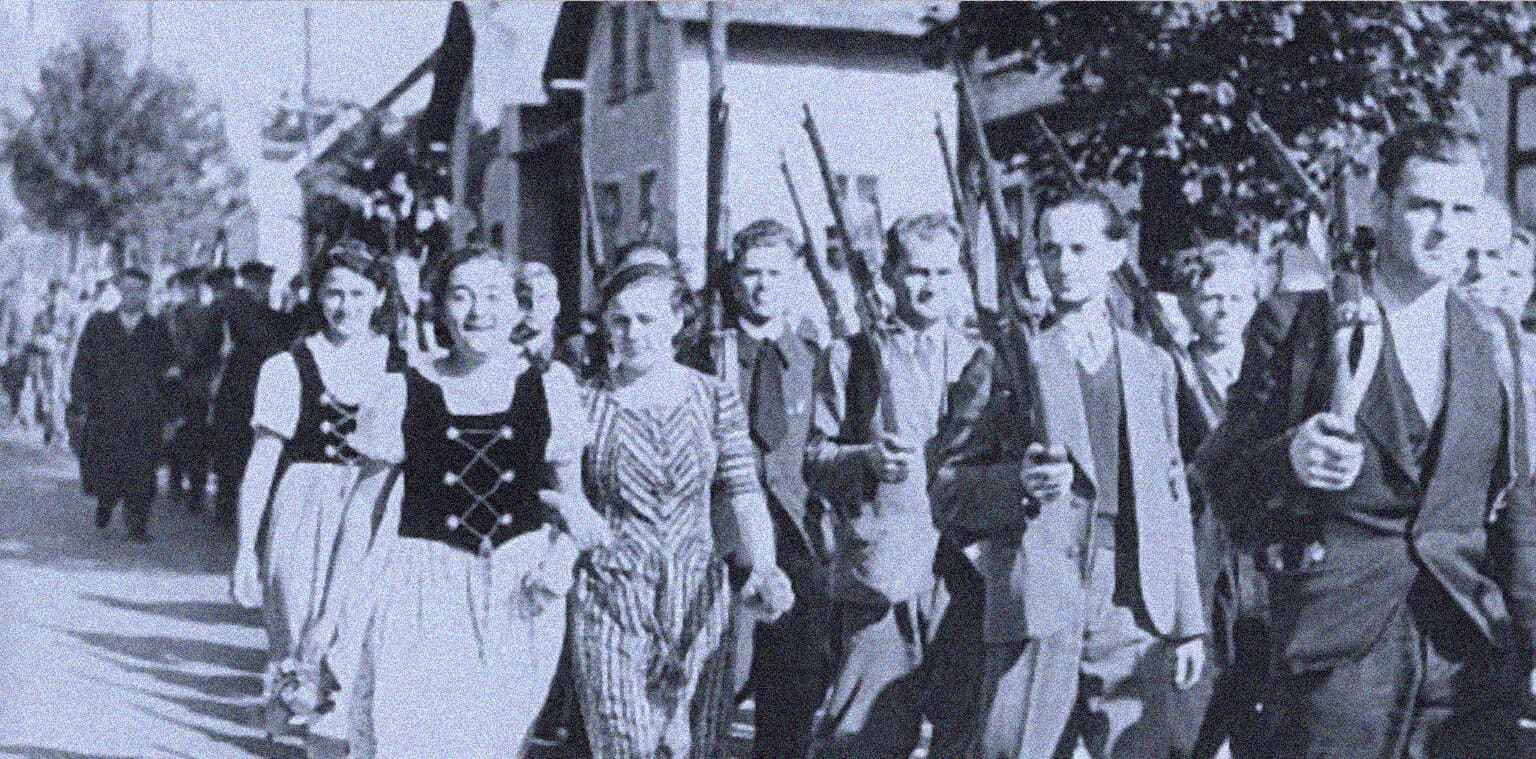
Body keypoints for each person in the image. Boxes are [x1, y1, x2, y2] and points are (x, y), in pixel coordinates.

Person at [1200, 122, 1536, 758]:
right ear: (1382, 207)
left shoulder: (1495, 339)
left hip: (1466, 656)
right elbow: (1223, 485)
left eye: (1461, 209)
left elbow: (1517, 510)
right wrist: (1289, 458)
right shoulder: (1298, 325)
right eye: (1422, 205)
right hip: (1333, 659)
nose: (1443, 229)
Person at [933, 188, 1206, 759]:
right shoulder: (1007, 358)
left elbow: (1171, 496)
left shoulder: (1152, 366)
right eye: (1051, 251)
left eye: (1080, 249)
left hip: (1134, 595)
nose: (1063, 266)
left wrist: (1187, 620)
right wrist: (1017, 485)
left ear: (1114, 254)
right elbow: (947, 487)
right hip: (1038, 591)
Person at [323, 248, 605, 759]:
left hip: (518, 592)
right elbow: (362, 512)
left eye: (494, 296)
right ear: (440, 308)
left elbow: (574, 504)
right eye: (462, 295)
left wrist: (557, 565)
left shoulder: (551, 387)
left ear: (519, 310)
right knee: (413, 736)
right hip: (423, 586)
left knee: (494, 743)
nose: (479, 311)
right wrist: (330, 615)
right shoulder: (402, 390)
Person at [571, 257, 794, 759]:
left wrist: (763, 566)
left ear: (677, 320)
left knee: (693, 743)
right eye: (620, 320)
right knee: (624, 742)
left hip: (698, 595)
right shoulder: (584, 403)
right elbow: (567, 495)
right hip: (611, 591)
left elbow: (743, 491)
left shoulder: (713, 397)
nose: (633, 333)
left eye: (647, 319)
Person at [803, 213, 985, 759]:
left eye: (943, 273)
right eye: (916, 272)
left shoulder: (986, 355)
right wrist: (866, 459)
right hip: (879, 574)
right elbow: (814, 459)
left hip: (966, 573)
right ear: (889, 273)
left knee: (964, 735)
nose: (930, 287)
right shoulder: (851, 356)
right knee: (864, 738)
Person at [223, 244, 403, 755]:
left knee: (364, 649)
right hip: (306, 509)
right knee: (300, 654)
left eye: (358, 293)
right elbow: (261, 462)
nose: (345, 307)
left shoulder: (403, 367)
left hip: (381, 510)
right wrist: (244, 549)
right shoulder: (288, 366)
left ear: (380, 297)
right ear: (317, 298)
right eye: (333, 293)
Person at [720, 219, 835, 759]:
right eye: (751, 273)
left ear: (794, 280)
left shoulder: (811, 357)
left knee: (793, 690)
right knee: (720, 680)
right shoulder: (708, 355)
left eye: (774, 273)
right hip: (723, 536)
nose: (762, 285)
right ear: (734, 278)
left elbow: (822, 445)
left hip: (795, 533)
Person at [1166, 243, 1267, 759]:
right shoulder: (1166, 371)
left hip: (1262, 570)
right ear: (1186, 302)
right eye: (1209, 297)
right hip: (1198, 565)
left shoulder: (1271, 373)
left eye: (1236, 296)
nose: (1224, 309)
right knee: (1189, 726)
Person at [68, 268, 174, 542]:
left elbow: (169, 372)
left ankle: (137, 522)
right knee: (107, 465)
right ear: (120, 292)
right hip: (107, 409)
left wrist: (171, 413)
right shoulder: (100, 325)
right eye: (128, 290)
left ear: (146, 293)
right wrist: (81, 400)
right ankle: (106, 500)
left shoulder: (156, 329)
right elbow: (82, 365)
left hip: (144, 412)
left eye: (139, 290)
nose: (133, 296)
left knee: (142, 468)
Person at [211, 261, 286, 523]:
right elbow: (263, 338)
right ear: (248, 282)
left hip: (251, 384)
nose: (263, 288)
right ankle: (227, 506)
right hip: (240, 385)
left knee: (240, 447)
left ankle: (232, 505)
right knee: (235, 447)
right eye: (259, 282)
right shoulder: (238, 307)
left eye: (265, 283)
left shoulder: (260, 309)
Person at [165, 268, 223, 513]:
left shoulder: (207, 315)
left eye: (197, 287)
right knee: (185, 435)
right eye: (189, 287)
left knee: (195, 437)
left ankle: (192, 490)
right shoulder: (175, 314)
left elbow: (209, 348)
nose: (193, 291)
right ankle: (181, 484)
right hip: (182, 383)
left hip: (194, 383)